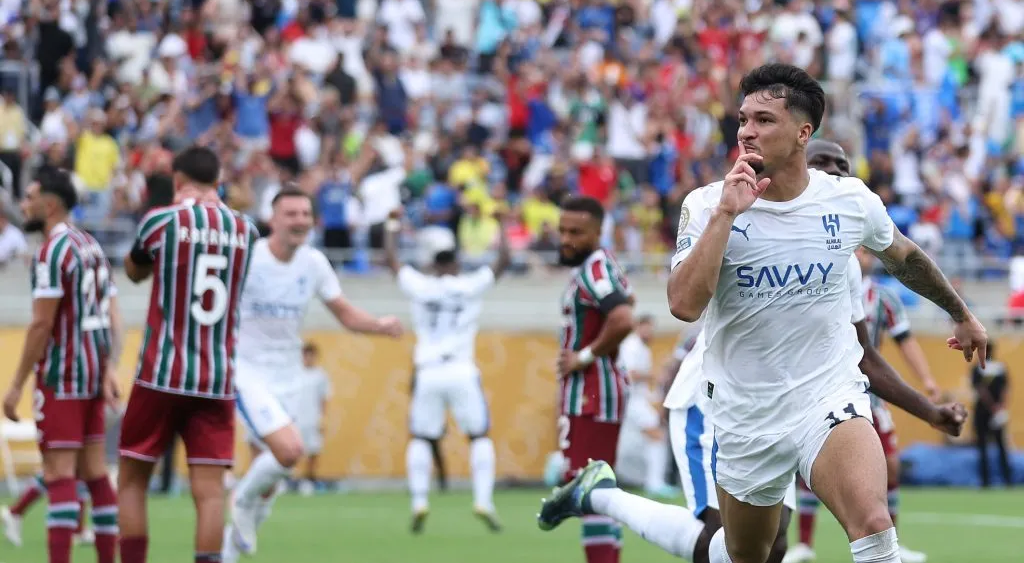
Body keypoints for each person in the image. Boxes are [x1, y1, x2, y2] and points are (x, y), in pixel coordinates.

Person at [537, 139, 968, 563]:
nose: (832, 175)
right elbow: (683, 305)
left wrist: (930, 408)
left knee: (784, 545)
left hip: (799, 405)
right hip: (715, 404)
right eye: (822, 164)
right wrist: (724, 214)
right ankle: (604, 497)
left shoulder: (844, 258)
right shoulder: (729, 210)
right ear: (798, 160)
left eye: (840, 167)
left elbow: (863, 353)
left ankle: (601, 495)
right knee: (723, 544)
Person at [663, 64, 985, 563]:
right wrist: (727, 215)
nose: (747, 131)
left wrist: (960, 314)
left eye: (764, 120)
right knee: (748, 553)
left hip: (828, 395)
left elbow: (905, 257)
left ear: (802, 133)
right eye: (744, 119)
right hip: (745, 413)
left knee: (875, 526)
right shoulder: (707, 205)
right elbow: (683, 305)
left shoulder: (848, 200)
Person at [224, 185, 403, 560]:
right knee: (289, 451)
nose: (300, 221)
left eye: (305, 214)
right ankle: (239, 499)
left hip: (288, 375)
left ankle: (228, 549)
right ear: (273, 219)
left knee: (272, 478)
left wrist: (379, 325)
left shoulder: (314, 263)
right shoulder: (247, 259)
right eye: (291, 214)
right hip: (248, 372)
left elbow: (344, 313)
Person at [118, 146, 260, 563]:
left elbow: (134, 270)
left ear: (177, 179)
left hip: (161, 371)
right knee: (211, 491)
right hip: (216, 376)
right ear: (219, 179)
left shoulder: (162, 220)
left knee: (131, 481)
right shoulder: (246, 229)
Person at [790, 165, 938, 563]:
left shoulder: (884, 299)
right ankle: (804, 541)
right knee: (812, 467)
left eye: (865, 251)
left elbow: (904, 342)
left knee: (889, 465)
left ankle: (892, 541)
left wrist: (927, 381)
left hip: (872, 390)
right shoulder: (822, 279)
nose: (861, 255)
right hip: (822, 387)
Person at [2, 167, 123, 563]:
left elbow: (41, 324)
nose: (24, 204)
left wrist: (17, 382)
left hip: (62, 374)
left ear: (49, 204)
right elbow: (112, 313)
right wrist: (109, 367)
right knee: (96, 474)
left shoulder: (52, 251)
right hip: (91, 373)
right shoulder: (90, 245)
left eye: (29, 196)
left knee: (58, 475)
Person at [382, 206, 510, 533]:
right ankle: (483, 499)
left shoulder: (421, 286)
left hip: (428, 371)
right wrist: (502, 224)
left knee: (422, 437)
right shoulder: (468, 285)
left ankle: (419, 501)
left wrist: (393, 225)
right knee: (478, 435)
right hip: (461, 370)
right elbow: (503, 262)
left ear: (433, 264)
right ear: (454, 263)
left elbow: (391, 259)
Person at [544, 195, 635, 563]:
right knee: (594, 488)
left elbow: (623, 318)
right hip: (591, 392)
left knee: (589, 489)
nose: (566, 239)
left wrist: (584, 356)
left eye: (576, 232)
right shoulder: (595, 267)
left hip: (593, 393)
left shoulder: (595, 269)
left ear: (598, 232)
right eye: (563, 230)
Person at [617, 314, 677, 498]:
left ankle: (653, 481)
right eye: (647, 327)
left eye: (651, 328)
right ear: (638, 326)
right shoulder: (631, 346)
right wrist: (654, 377)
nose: (649, 332)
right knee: (657, 435)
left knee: (656, 436)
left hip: (637, 401)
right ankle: (654, 483)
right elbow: (629, 375)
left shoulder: (643, 349)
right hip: (630, 401)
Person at [971, 342, 1013, 487]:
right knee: (997, 446)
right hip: (992, 412)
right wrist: (999, 406)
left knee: (989, 446)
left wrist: (994, 407)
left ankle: (988, 481)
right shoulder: (1000, 368)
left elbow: (981, 390)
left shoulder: (979, 368)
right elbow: (1004, 390)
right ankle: (1005, 480)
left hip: (985, 412)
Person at [294, 342, 332, 496]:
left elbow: (324, 399)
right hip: (296, 419)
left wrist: (323, 419)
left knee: (313, 451)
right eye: (306, 355)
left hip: (312, 418)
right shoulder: (294, 374)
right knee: (291, 450)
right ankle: (285, 480)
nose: (308, 358)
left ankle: (308, 481)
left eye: (311, 355)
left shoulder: (320, 376)